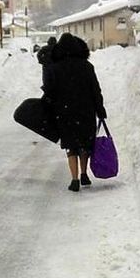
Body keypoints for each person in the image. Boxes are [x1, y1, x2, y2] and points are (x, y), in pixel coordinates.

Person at [43, 33, 107, 192]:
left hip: (64, 112)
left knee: (71, 146)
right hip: (85, 110)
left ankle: (75, 179)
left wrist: (46, 108)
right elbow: (95, 90)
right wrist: (100, 110)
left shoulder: (54, 68)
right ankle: (85, 173)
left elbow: (50, 92)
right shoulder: (86, 66)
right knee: (84, 144)